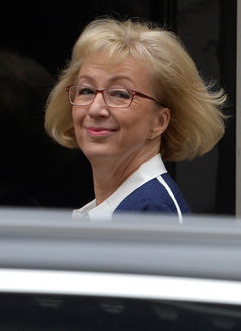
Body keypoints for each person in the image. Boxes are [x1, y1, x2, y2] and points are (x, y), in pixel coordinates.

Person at [44, 18, 226, 222]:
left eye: (120, 94)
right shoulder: (123, 207)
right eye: (87, 90)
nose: (95, 109)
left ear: (159, 122)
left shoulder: (153, 212)